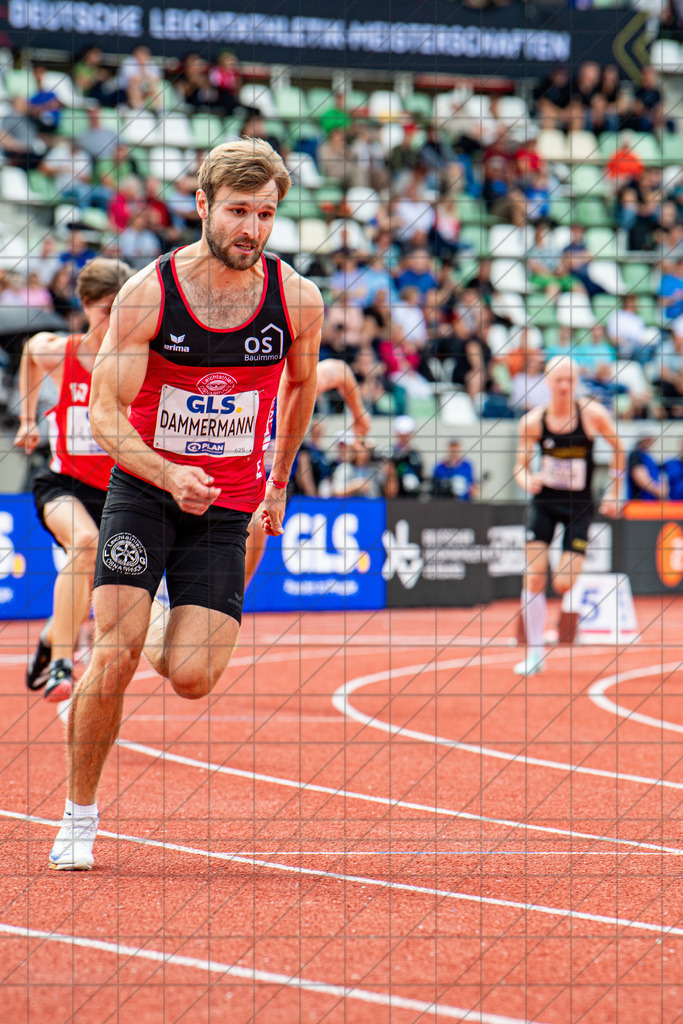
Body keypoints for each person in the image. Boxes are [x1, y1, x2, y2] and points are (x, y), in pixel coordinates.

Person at [48, 139, 324, 871]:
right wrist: (167, 474)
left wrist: (280, 476)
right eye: (238, 211)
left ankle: (168, 617)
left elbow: (301, 387)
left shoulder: (296, 299)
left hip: (228, 503)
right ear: (201, 205)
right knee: (116, 653)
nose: (252, 229)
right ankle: (80, 815)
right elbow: (105, 415)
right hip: (145, 491)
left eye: (266, 214)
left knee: (194, 678)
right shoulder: (149, 293)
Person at [14, 258, 134, 702]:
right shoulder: (61, 353)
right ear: (85, 306)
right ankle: (62, 664)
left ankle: (50, 639)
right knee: (82, 544)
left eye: (125, 311)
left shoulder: (134, 362)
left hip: (117, 493)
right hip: (62, 483)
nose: (116, 321)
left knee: (89, 584)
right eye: (107, 311)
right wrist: (29, 420)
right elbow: (29, 353)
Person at [513, 357, 623, 677]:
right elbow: (520, 464)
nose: (563, 386)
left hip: (579, 507)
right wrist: (525, 478)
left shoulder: (592, 415)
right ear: (547, 381)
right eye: (558, 380)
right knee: (533, 577)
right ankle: (535, 654)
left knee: (562, 583)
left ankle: (565, 617)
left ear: (577, 382)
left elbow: (618, 449)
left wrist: (615, 490)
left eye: (569, 380)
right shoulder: (533, 422)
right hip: (544, 502)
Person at [243, 358, 371, 585]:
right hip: (233, 480)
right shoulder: (240, 385)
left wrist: (359, 415)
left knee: (256, 527)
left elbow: (340, 370)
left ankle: (230, 602)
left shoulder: (289, 384)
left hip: (272, 487)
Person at [627, 433, 668, 501]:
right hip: (640, 502)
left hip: (652, 501)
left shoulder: (648, 456)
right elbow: (640, 477)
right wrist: (658, 491)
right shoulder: (636, 454)